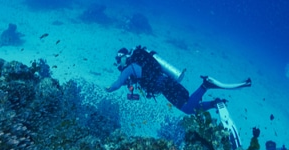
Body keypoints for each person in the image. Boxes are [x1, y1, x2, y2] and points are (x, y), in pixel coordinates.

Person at [106, 46, 252, 115]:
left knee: (187, 109)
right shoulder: (138, 64)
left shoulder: (129, 68)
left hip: (165, 86)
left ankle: (206, 85)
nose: (119, 63)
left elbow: (118, 83)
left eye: (119, 59)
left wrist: (106, 89)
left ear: (123, 56)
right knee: (193, 107)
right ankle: (215, 103)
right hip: (168, 83)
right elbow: (131, 83)